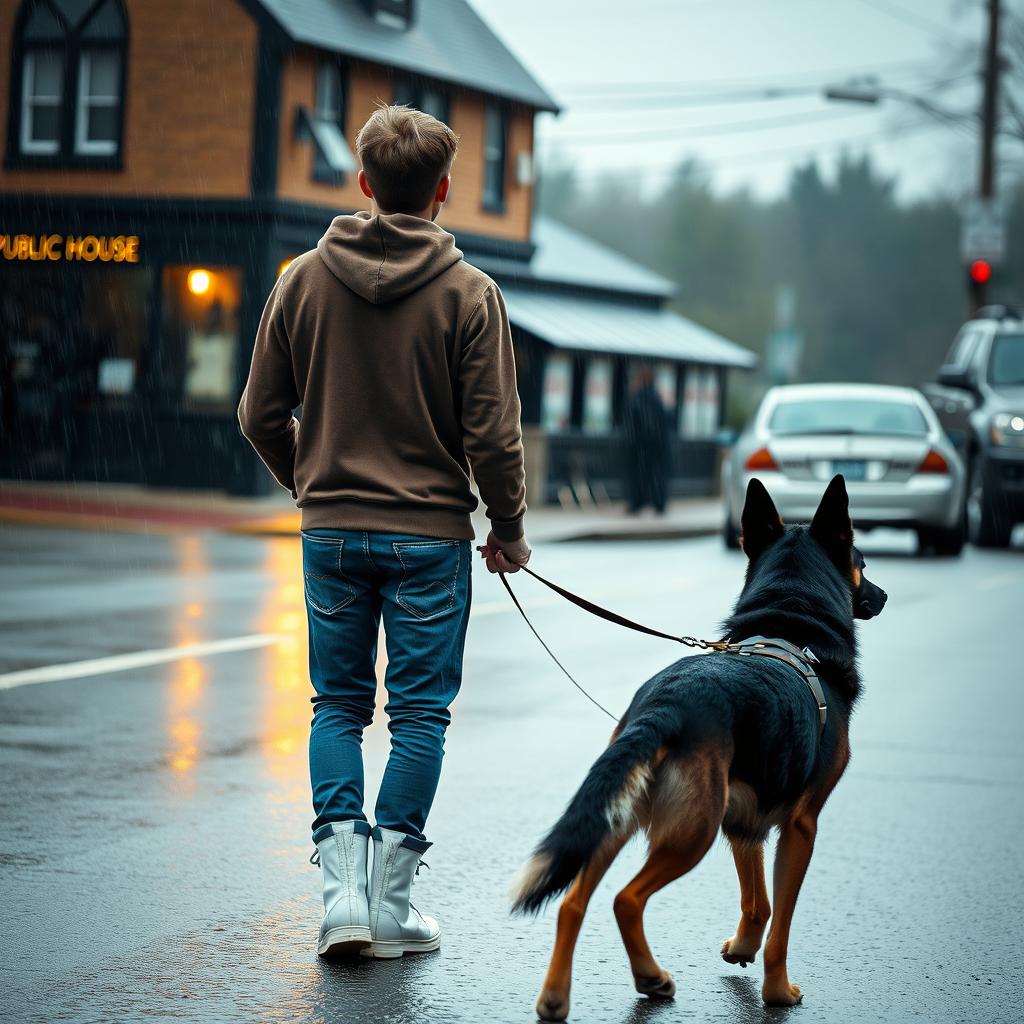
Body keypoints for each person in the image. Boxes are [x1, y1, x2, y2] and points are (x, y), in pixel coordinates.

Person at [238, 104, 531, 961]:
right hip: (430, 540)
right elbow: (494, 434)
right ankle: (393, 905)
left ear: (363, 183)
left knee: (337, 706)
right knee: (419, 718)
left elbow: (259, 413)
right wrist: (507, 526)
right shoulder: (471, 294)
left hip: (330, 532)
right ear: (443, 191)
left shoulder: (300, 279)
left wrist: (314, 485)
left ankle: (341, 903)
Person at [623, 366, 671, 514]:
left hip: (638, 446)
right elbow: (664, 423)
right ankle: (659, 503)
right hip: (657, 446)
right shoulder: (657, 399)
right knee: (657, 475)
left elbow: (630, 424)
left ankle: (636, 503)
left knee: (638, 476)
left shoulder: (636, 398)